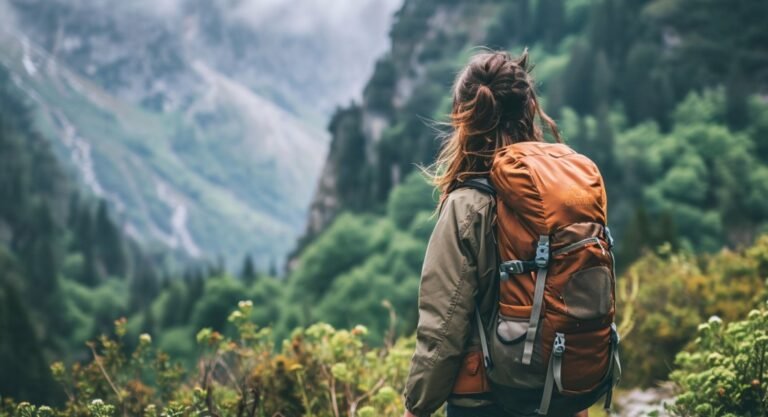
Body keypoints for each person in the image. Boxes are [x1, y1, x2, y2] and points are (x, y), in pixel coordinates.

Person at [401, 50, 594, 417]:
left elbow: (443, 325)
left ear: (465, 121)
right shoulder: (561, 197)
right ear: (528, 111)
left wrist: (417, 406)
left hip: (485, 401)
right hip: (558, 394)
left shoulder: (467, 205)